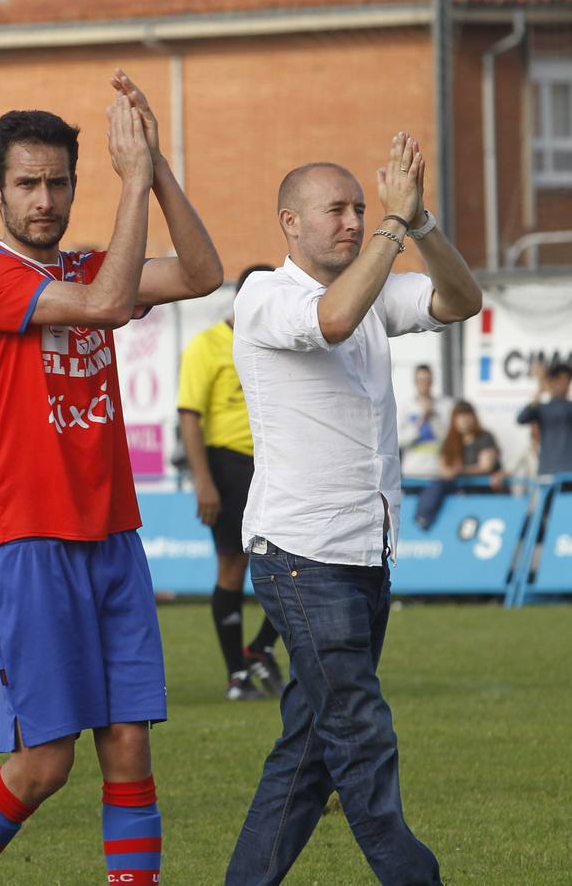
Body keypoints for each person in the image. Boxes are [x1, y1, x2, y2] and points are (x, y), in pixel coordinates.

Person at [0, 68, 223, 885]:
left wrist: (153, 166)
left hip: (112, 537)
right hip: (28, 544)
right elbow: (101, 306)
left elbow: (201, 273)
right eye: (27, 184)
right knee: (43, 765)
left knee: (128, 745)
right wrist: (131, 189)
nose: (44, 201)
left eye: (58, 183)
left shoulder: (90, 261)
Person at [225, 134, 482, 885]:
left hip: (361, 557)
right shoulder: (264, 297)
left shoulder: (369, 289)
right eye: (335, 208)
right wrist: (391, 230)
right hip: (302, 559)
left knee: (306, 758)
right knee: (359, 739)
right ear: (288, 223)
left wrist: (421, 223)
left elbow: (460, 300)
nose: (352, 219)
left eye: (360, 207)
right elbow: (334, 317)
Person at [177, 264, 283, 701]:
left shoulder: (274, 344)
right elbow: (189, 415)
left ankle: (258, 648)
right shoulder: (207, 344)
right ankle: (237, 675)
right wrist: (203, 480)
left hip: (275, 465)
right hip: (228, 465)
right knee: (233, 568)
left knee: (296, 562)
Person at [413, 400, 503, 530]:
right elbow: (443, 469)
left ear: (474, 418)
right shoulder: (450, 441)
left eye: (467, 416)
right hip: (459, 490)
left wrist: (460, 470)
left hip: (484, 492)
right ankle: (422, 516)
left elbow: (486, 466)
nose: (464, 421)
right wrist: (451, 472)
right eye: (460, 417)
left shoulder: (485, 437)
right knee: (437, 484)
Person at [517, 362, 572, 477]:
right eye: (559, 379)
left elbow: (563, 410)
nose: (564, 383)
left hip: (569, 472)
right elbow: (521, 418)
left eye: (567, 379)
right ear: (552, 381)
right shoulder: (542, 408)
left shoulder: (568, 406)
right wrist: (540, 390)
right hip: (548, 470)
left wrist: (545, 384)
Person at [399, 364, 452, 477]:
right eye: (421, 380)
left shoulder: (445, 405)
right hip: (412, 470)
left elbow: (448, 439)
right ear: (415, 382)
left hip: (437, 470)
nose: (424, 384)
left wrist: (433, 418)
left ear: (432, 381)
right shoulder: (405, 406)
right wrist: (422, 420)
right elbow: (400, 441)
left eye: (427, 380)